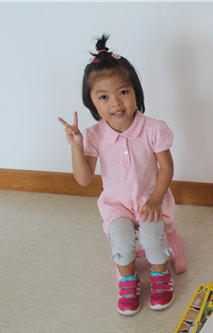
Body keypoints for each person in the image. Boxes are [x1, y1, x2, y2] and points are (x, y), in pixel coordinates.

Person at [59, 34, 176, 315]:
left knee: (152, 238)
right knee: (122, 242)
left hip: (150, 199)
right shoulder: (94, 135)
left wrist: (156, 199)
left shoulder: (152, 128)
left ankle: (161, 276)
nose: (115, 103)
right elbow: (84, 179)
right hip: (117, 205)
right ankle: (127, 280)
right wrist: (76, 147)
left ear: (136, 92)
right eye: (103, 97)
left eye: (123, 92)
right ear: (92, 103)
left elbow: (167, 167)